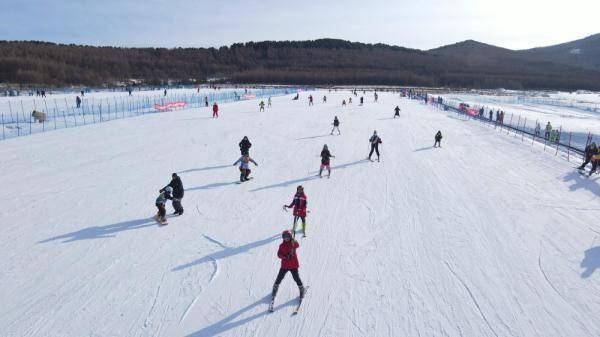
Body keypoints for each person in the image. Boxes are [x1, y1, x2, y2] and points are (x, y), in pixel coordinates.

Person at [269, 230, 305, 311]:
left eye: (288, 237)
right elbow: (278, 254)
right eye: (285, 237)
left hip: (293, 265)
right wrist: (285, 256)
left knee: (296, 278)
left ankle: (301, 288)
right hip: (284, 265)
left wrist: (294, 240)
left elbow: (297, 245)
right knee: (279, 278)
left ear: (290, 237)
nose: (286, 239)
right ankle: (275, 289)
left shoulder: (293, 244)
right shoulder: (281, 246)